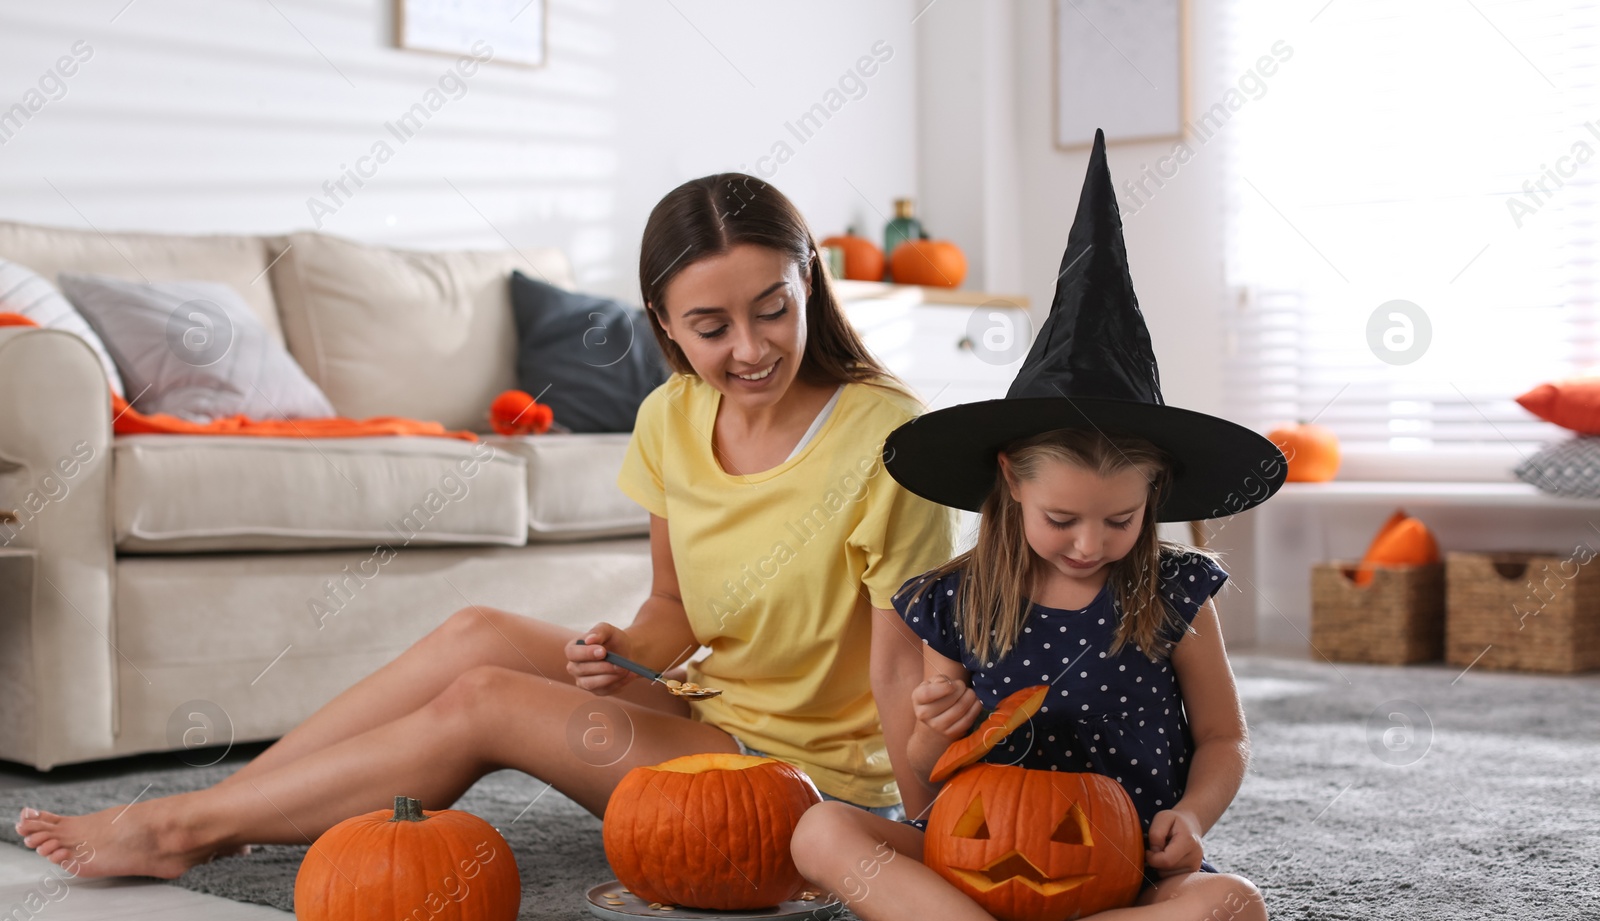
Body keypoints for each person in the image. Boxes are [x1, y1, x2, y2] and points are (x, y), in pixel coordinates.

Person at [15, 173, 954, 878]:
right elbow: (673, 606)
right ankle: (222, 808)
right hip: (709, 706)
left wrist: (915, 836)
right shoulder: (671, 413)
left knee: (485, 703)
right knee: (477, 633)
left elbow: (902, 666)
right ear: (666, 325)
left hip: (804, 777)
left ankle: (180, 830)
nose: (748, 349)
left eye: (772, 310)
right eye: (711, 327)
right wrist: (622, 646)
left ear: (810, 285)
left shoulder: (889, 434)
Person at [790, 130, 1286, 921]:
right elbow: (926, 799)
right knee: (817, 831)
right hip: (971, 862)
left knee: (1233, 911)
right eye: (1062, 520)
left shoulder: (1173, 593)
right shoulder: (953, 600)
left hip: (1125, 871)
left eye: (1120, 520)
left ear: (1155, 499)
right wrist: (930, 733)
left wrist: (1193, 812)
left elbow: (1225, 737)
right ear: (1012, 479)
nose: (1090, 544)